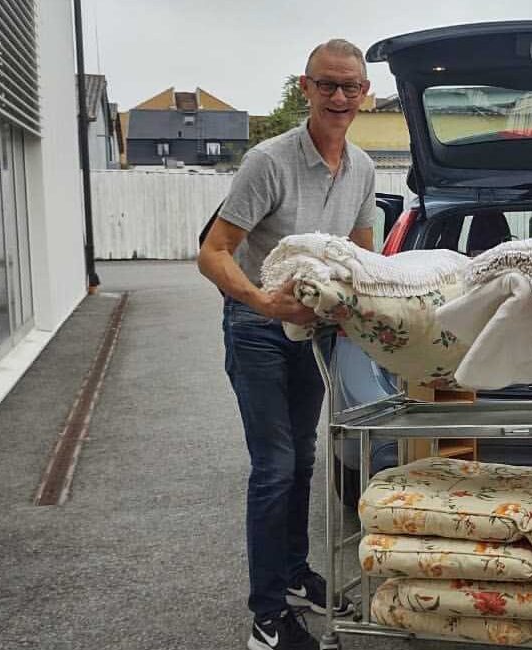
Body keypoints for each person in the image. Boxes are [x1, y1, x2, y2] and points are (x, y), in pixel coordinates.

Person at [198, 39, 375, 650]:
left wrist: (375, 316)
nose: (339, 96)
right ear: (305, 87)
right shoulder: (267, 161)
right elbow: (212, 252)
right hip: (258, 330)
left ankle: (295, 573)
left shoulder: (365, 168)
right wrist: (263, 302)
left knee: (303, 460)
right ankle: (267, 616)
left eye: (350, 86)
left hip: (315, 335)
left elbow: (361, 256)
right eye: (327, 84)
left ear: (365, 93)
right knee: (274, 468)